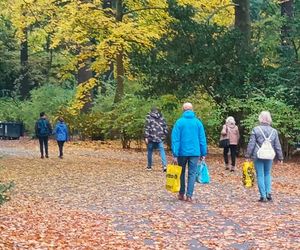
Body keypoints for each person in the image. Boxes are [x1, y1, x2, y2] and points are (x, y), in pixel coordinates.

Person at [171, 102, 207, 202]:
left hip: (182, 152)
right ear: (192, 110)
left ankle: (181, 193)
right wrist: (203, 153)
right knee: (192, 173)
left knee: (181, 172)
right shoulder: (198, 123)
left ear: (183, 110)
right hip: (195, 152)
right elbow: (202, 139)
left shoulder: (179, 122)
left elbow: (175, 139)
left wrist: (175, 153)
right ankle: (189, 195)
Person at [245, 111, 283, 202]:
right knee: (267, 173)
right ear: (269, 119)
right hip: (269, 155)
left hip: (258, 155)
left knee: (260, 175)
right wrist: (280, 157)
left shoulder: (256, 129)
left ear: (260, 118)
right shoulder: (274, 131)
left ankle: (263, 196)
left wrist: (247, 155)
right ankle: (268, 192)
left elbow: (251, 144)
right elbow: (277, 145)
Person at [144, 107, 168, 172]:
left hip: (151, 137)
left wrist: (146, 137)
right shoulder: (162, 117)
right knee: (162, 151)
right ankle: (164, 165)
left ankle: (149, 166)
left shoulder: (149, 117)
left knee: (150, 152)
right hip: (160, 137)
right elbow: (165, 127)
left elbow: (147, 127)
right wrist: (164, 135)